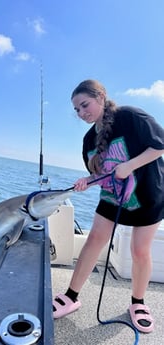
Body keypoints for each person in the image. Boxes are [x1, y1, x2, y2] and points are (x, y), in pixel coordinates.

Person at [53, 79, 164, 333]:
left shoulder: (131, 116)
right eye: (77, 110)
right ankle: (71, 296)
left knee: (139, 251)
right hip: (112, 196)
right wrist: (87, 182)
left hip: (149, 194)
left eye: (85, 105)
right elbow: (102, 174)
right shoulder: (88, 140)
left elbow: (160, 146)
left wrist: (129, 166)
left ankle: (138, 303)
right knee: (94, 240)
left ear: (101, 97)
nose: (81, 113)